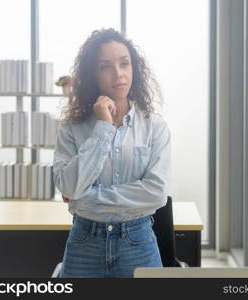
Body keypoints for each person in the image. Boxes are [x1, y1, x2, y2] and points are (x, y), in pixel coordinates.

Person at [52, 28, 171, 278]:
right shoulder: (72, 128)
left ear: (133, 69)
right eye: (106, 66)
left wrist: (84, 199)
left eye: (124, 63)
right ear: (92, 75)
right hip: (84, 243)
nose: (119, 74)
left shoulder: (154, 126)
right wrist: (103, 127)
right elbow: (69, 187)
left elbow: (156, 193)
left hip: (138, 242)